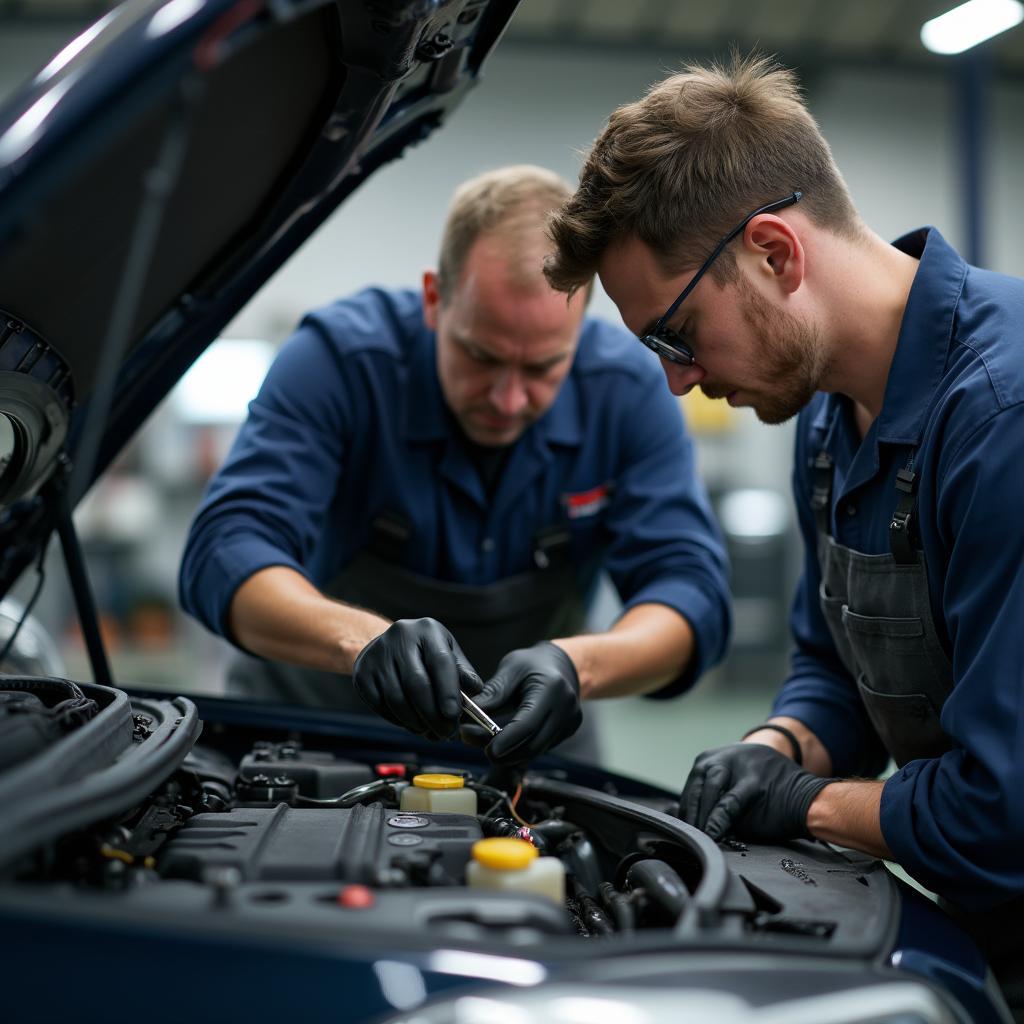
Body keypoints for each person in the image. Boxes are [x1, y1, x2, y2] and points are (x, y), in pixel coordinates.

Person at [543, 55, 1024, 1013]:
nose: (678, 384)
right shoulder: (826, 411)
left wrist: (810, 805)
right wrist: (780, 745)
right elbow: (836, 665)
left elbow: (1006, 813)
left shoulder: (1002, 421)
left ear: (775, 253)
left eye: (677, 337)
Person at [180, 165, 731, 766]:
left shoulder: (624, 394)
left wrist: (579, 666)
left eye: (543, 367)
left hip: (528, 754)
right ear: (434, 299)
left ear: (580, 328)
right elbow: (225, 550)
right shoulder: (340, 362)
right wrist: (361, 643)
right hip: (319, 745)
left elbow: (690, 592)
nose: (507, 398)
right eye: (481, 355)